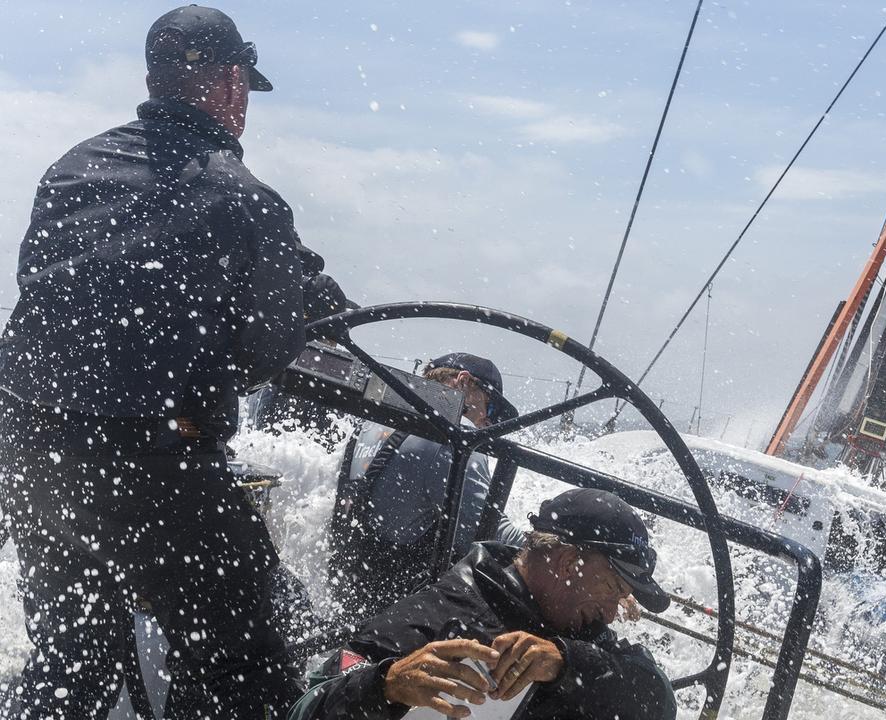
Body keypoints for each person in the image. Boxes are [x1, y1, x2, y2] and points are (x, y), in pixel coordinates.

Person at [0, 6, 340, 718]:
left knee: (72, 656)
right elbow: (269, 349)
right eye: (242, 83)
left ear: (154, 79)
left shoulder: (71, 168)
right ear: (227, 84)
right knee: (240, 669)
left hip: (30, 453)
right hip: (153, 468)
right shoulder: (245, 200)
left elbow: (53, 292)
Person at [291, 488, 677, 720]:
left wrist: (567, 663)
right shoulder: (433, 618)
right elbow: (305, 710)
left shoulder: (582, 633)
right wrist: (386, 686)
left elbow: (659, 701)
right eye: (613, 588)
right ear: (567, 563)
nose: (613, 613)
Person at [329, 352, 524, 622]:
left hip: (348, 597)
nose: (488, 424)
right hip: (397, 619)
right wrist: (550, 550)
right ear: (463, 382)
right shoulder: (450, 440)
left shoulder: (375, 422)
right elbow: (489, 536)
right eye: (490, 409)